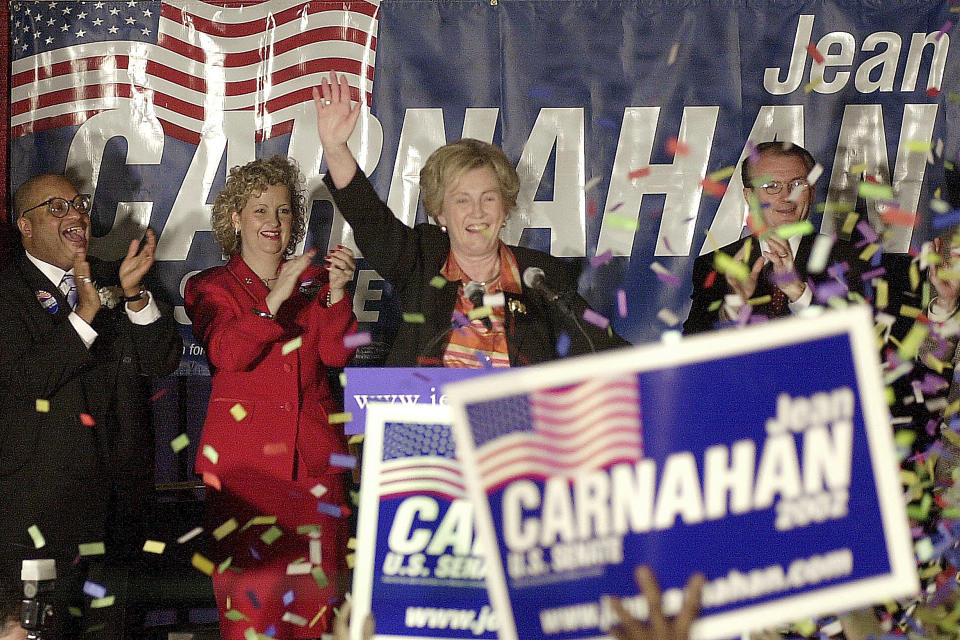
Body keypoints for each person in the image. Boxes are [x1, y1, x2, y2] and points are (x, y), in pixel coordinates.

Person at [313, 72, 628, 367]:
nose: (477, 212)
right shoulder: (421, 261)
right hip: (424, 425)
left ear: (504, 210)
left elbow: (604, 345)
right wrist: (335, 147)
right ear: (440, 212)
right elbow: (370, 220)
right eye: (462, 200)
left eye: (488, 198)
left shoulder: (539, 277)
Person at [184, 156, 359, 639]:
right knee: (252, 618)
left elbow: (337, 353)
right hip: (247, 481)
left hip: (315, 475)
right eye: (260, 210)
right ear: (236, 218)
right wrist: (275, 296)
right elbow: (227, 353)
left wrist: (339, 293)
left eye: (283, 212)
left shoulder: (315, 283)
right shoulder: (209, 287)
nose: (273, 223)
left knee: (321, 616)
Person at [0, 174, 181, 634]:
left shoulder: (112, 277)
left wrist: (137, 295)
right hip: (38, 517)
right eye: (57, 208)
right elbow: (24, 385)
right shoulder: (7, 292)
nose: (76, 214)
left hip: (116, 514)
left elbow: (162, 359)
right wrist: (82, 315)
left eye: (78, 204)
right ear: (25, 225)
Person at [683, 142, 864, 334]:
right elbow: (693, 347)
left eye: (797, 184)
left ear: (811, 192)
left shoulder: (852, 259)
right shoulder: (716, 265)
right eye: (771, 186)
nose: (786, 196)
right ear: (749, 196)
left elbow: (866, 338)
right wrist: (733, 307)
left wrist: (799, 293)